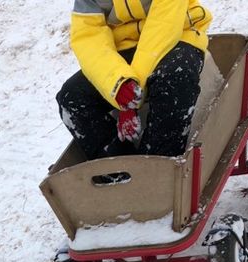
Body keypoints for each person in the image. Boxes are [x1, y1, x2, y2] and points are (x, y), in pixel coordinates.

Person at [57, 0, 212, 160]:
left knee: (174, 77)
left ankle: (158, 166)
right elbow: (88, 37)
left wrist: (134, 91)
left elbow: (164, 25)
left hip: (178, 33)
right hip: (125, 46)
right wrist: (118, 84)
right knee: (72, 98)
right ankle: (120, 172)